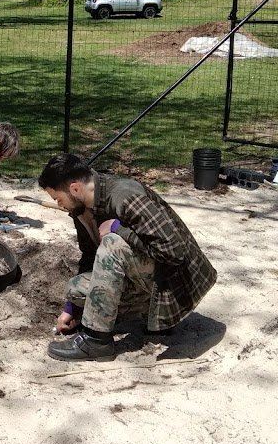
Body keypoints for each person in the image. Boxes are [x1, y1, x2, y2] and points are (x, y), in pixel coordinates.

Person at [37, 154, 217, 362]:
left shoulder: (125, 195)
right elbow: (89, 256)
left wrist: (119, 230)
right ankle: (149, 316)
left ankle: (96, 341)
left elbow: (174, 251)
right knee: (75, 290)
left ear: (75, 188)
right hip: (148, 275)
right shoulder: (82, 209)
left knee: (112, 244)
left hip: (176, 283)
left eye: (58, 199)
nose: (60, 205)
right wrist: (72, 309)